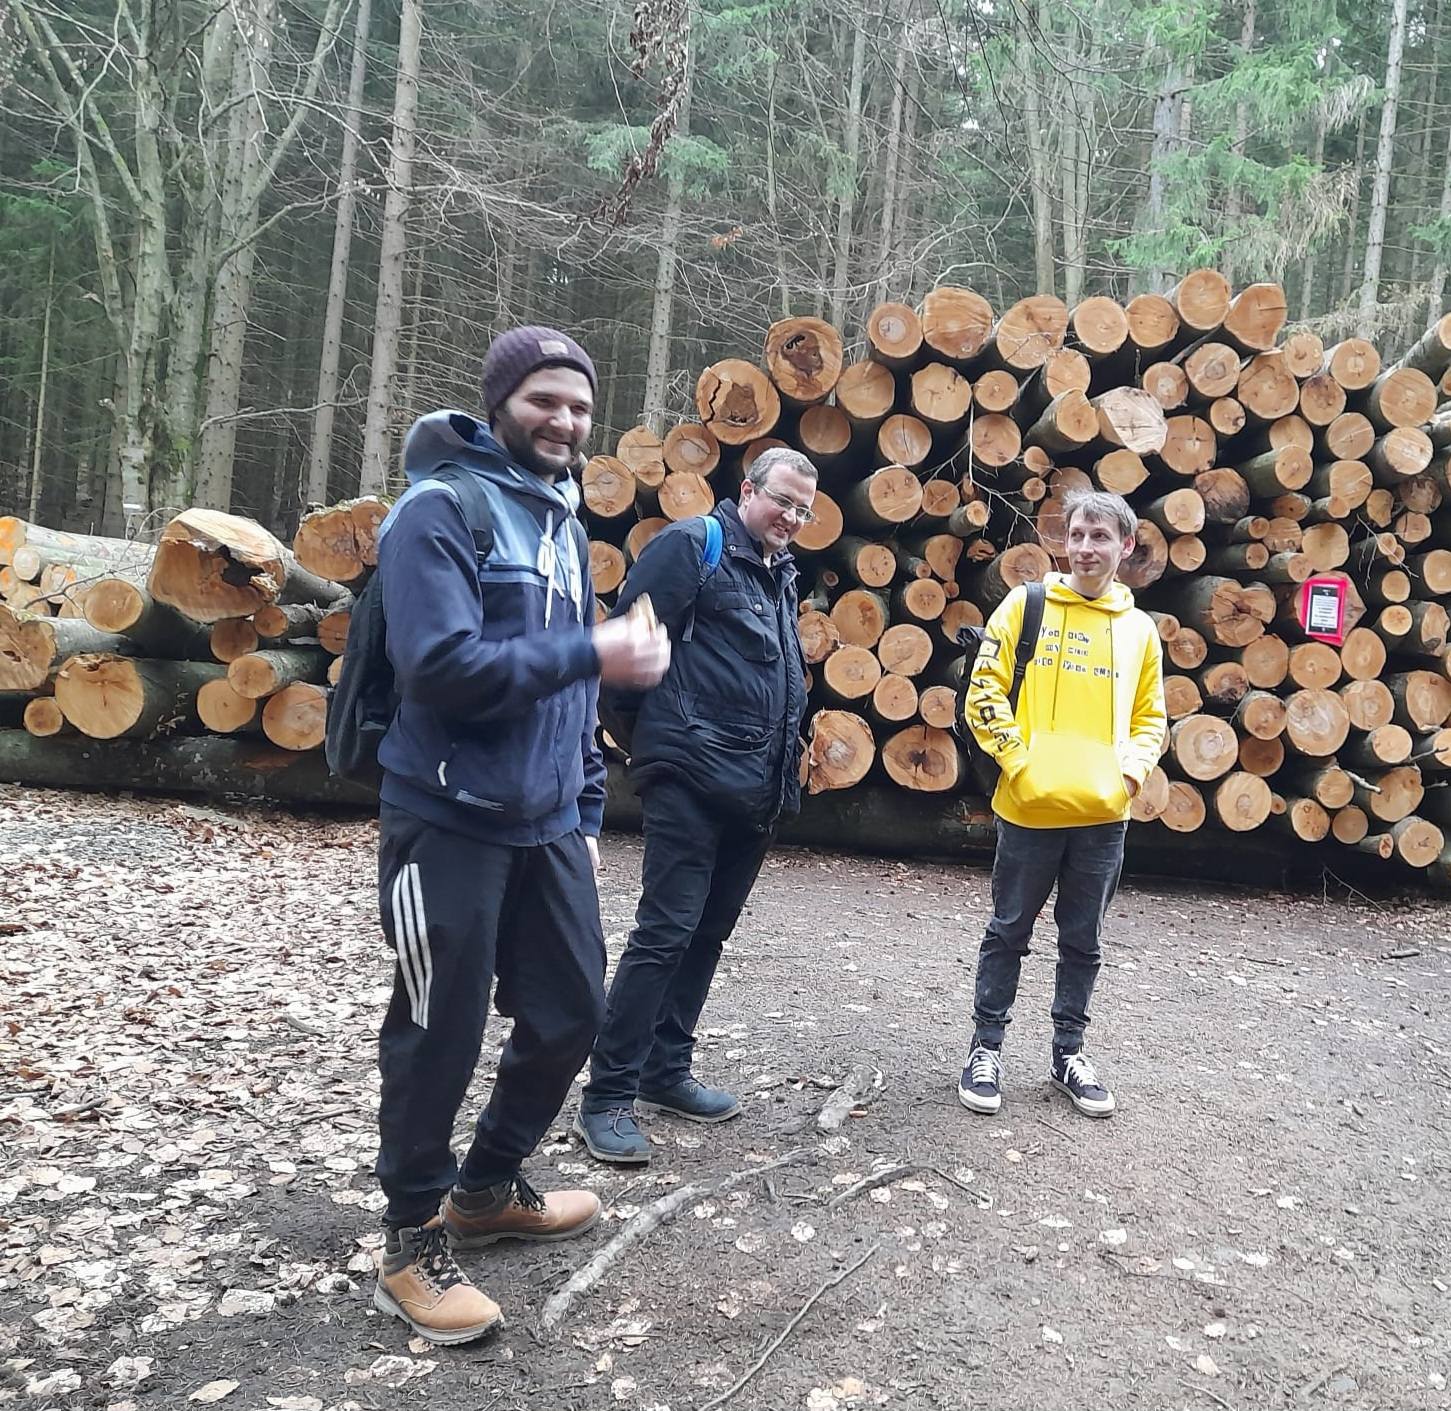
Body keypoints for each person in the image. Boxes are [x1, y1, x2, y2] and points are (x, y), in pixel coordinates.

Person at [369, 326, 670, 1343]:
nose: (565, 420)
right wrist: (593, 647)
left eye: (579, 406)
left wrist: (582, 810)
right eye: (545, 399)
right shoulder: (438, 510)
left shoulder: (558, 515)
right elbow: (440, 666)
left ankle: (488, 1185)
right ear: (499, 401)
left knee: (572, 1011)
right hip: (444, 815)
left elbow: (571, 698)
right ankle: (410, 1240)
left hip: (544, 822)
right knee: (438, 1030)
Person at [574, 446, 816, 1163]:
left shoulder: (779, 572)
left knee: (707, 934)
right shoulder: (693, 546)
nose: (791, 517)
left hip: (757, 787)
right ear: (748, 489)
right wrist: (659, 749)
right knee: (665, 933)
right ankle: (607, 1095)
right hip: (689, 777)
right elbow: (623, 656)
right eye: (783, 501)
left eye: (803, 510)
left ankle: (665, 1069)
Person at [958, 488, 1165, 1120]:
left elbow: (1151, 719)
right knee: (1008, 932)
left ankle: (1069, 1053)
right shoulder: (1026, 605)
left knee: (1083, 941)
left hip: (1103, 818)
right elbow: (983, 691)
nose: (1085, 548)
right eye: (1076, 535)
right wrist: (1022, 765)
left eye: (1100, 537)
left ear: (1126, 546)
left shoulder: (1140, 631)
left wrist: (1127, 779)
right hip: (1028, 810)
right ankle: (985, 1048)